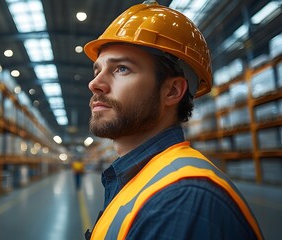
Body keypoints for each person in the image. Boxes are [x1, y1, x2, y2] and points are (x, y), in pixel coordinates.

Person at [83, 1, 263, 239]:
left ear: (172, 91)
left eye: (122, 69)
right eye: (98, 70)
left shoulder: (181, 200)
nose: (94, 83)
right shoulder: (139, 177)